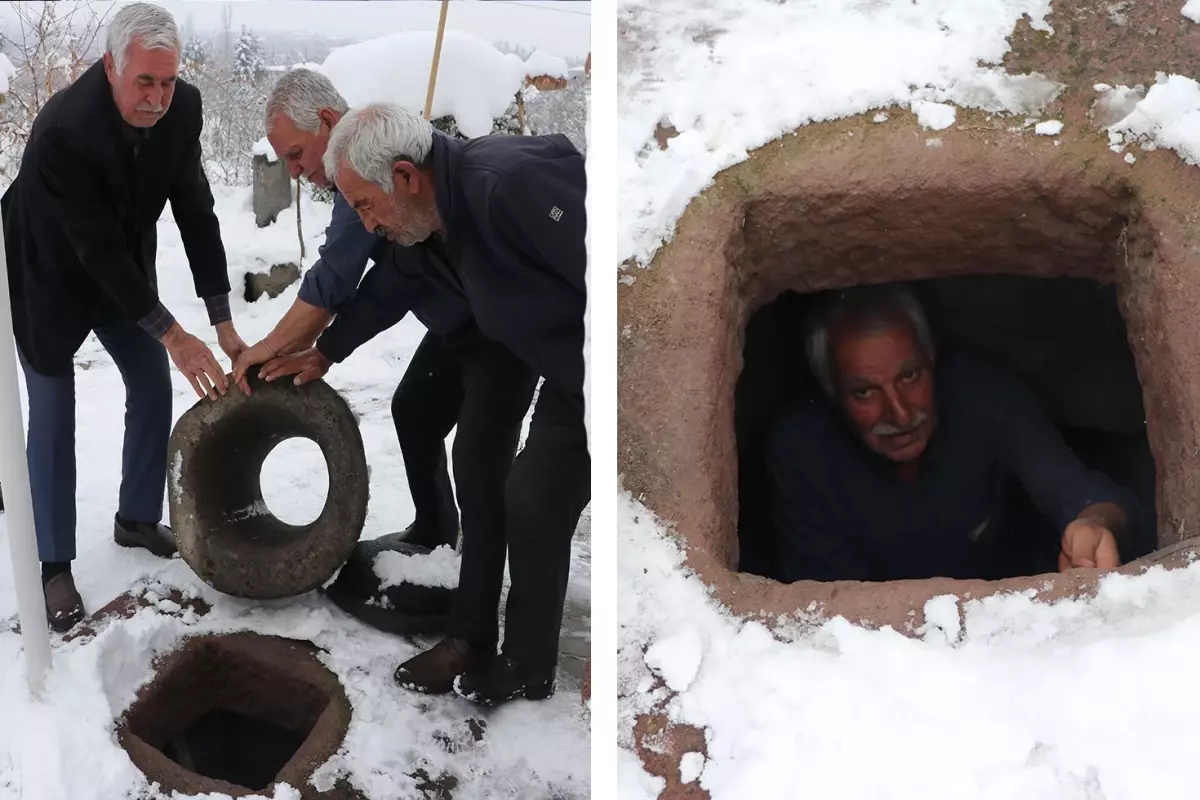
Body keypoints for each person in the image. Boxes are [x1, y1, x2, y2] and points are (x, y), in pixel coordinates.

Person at [260, 102, 589, 706]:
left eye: (364, 205)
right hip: (531, 353)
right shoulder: (420, 223)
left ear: (407, 176)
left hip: (595, 367)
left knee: (515, 487)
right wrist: (328, 349)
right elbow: (388, 287)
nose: (366, 221)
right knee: (519, 490)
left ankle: (507, 652)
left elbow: (605, 268)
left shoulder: (512, 188)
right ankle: (489, 644)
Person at [0, 2, 247, 632]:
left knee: (151, 377)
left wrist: (218, 319)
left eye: (168, 81)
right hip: (46, 270)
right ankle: (52, 564)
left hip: (122, 271)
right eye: (145, 82)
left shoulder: (183, 109)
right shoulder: (63, 131)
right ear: (111, 65)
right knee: (53, 412)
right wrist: (173, 332)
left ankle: (135, 518)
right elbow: (93, 250)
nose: (160, 97)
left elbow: (195, 209)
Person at [231, 67, 465, 549]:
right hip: (453, 316)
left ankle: (479, 570)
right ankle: (435, 533)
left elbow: (334, 278)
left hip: (489, 319)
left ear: (326, 119)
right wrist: (325, 351)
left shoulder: (365, 167)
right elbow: (386, 283)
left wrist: (268, 347)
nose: (294, 172)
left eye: (296, 154)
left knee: (480, 448)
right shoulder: (352, 176)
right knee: (415, 409)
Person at [765, 283, 1138, 583]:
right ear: (832, 394)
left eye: (909, 376)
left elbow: (1077, 491)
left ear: (932, 360)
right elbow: (826, 607)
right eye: (864, 392)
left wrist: (1093, 526)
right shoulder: (801, 451)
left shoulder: (981, 391)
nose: (899, 412)